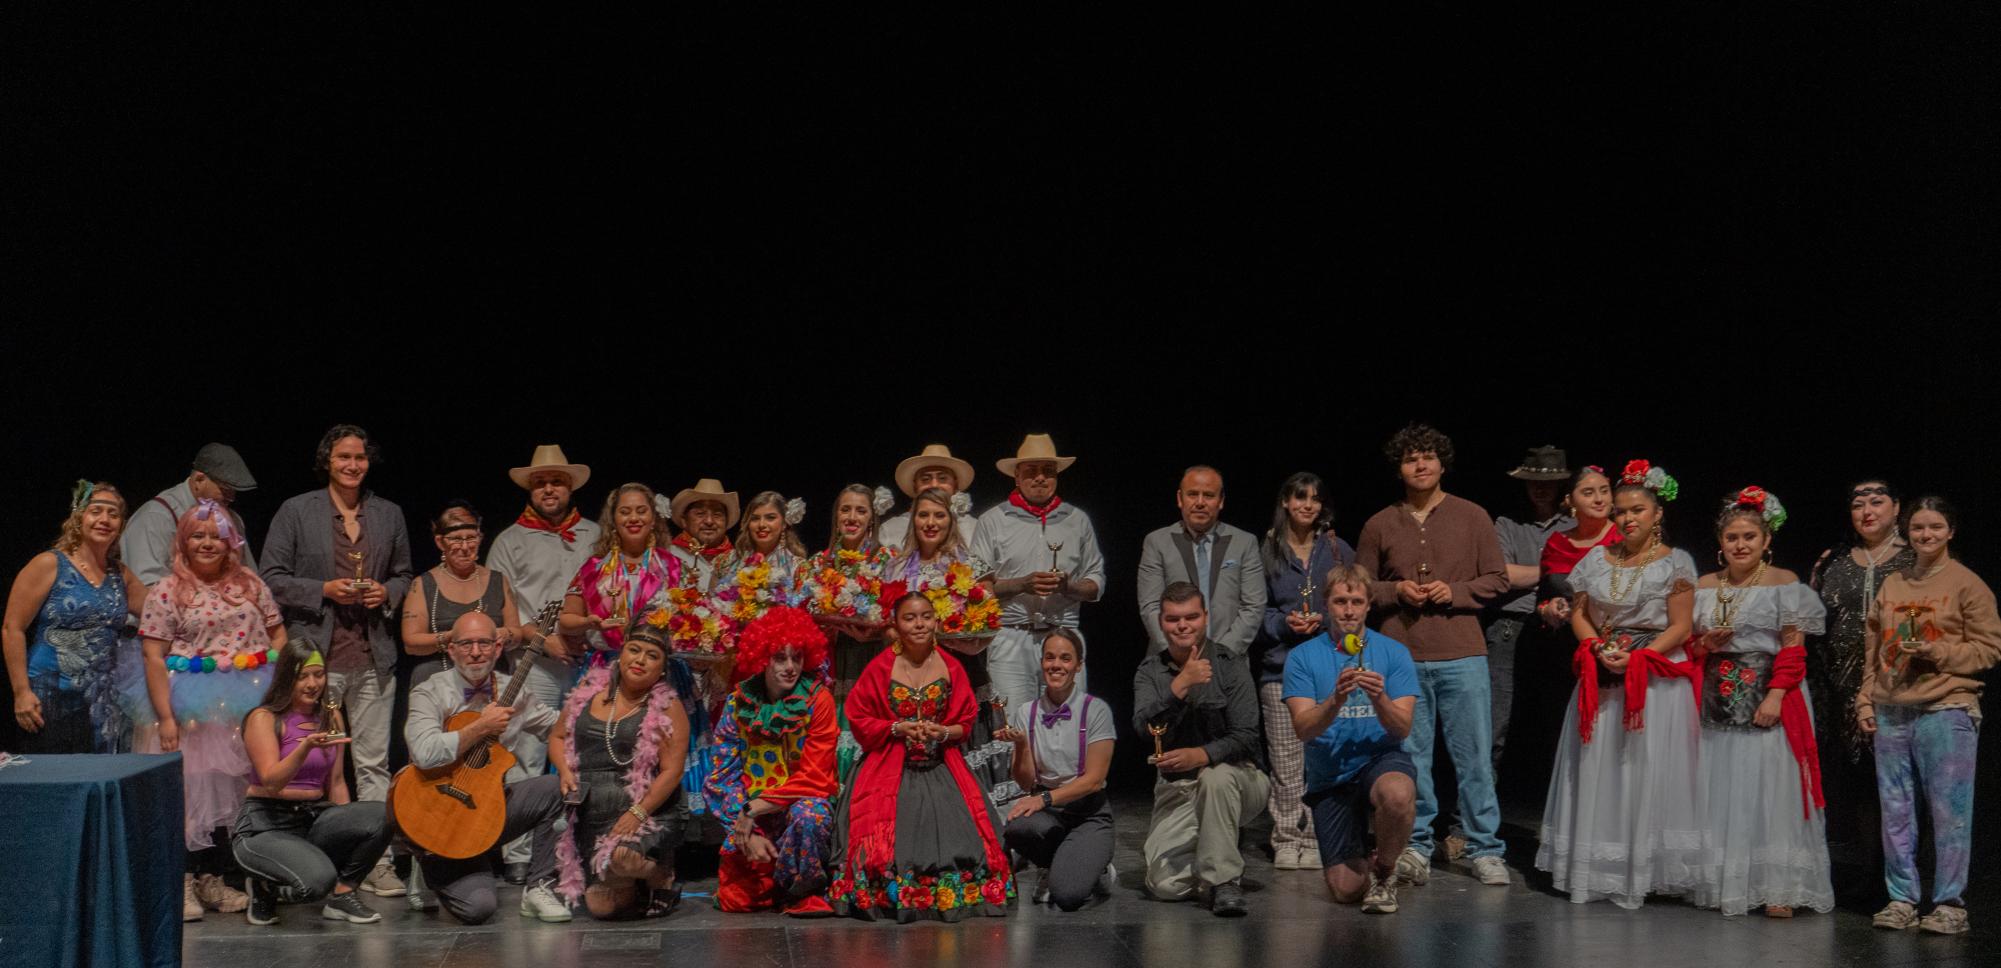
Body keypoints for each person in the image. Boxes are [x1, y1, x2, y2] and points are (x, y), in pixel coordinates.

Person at [1536, 459, 1708, 909]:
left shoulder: (1676, 562)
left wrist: (1638, 657)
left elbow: (1682, 626)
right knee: (1602, 764)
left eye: (1637, 510)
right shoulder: (1596, 558)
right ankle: (1601, 865)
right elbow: (1579, 612)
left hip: (1652, 678)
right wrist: (1595, 648)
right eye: (1621, 511)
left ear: (1657, 515)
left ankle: (1648, 867)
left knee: (1646, 765)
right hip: (1603, 669)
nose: (1627, 518)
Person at [259, 425, 413, 898]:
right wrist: (323, 589)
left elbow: (406, 574)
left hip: (373, 657)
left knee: (372, 765)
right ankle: (307, 863)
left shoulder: (387, 514)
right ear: (328, 460)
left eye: (360, 458)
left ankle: (377, 861)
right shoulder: (297, 510)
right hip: (315, 659)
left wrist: (386, 592)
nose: (352, 465)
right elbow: (270, 576)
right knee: (312, 763)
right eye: (344, 457)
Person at [1353, 424, 1510, 887]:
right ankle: (1414, 846)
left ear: (1442, 463)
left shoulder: (1472, 516)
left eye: (1428, 457)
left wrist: (1455, 590)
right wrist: (1394, 589)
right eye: (1410, 458)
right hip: (1401, 655)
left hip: (1463, 653)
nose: (1420, 465)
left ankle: (1485, 847)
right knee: (1411, 757)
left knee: (1475, 758)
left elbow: (1498, 580)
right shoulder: (1380, 523)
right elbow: (1358, 587)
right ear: (1399, 468)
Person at [130, 501, 286, 919]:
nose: (206, 543)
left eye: (215, 535)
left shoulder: (250, 584)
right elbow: (152, 655)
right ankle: (180, 883)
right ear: (183, 540)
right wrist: (166, 717)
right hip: (190, 709)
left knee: (231, 797)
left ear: (230, 541)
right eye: (197, 535)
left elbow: (278, 633)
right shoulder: (168, 590)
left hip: (245, 705)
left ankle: (213, 879)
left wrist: (277, 690)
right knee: (189, 796)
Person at [1857, 496, 1998, 935]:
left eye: (1935, 527)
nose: (1925, 535)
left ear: (1950, 532)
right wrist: (1866, 699)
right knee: (1896, 811)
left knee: (1949, 813)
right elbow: (1873, 649)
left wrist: (1938, 651)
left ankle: (1950, 904)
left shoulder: (1967, 584)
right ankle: (1901, 899)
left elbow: (1989, 649)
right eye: (1918, 528)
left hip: (1946, 708)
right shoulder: (1893, 583)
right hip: (1892, 707)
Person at [828, 591, 1014, 921]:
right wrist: (897, 727)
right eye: (910, 618)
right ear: (896, 625)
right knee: (885, 845)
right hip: (888, 767)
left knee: (961, 841)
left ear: (936, 620)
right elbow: (859, 718)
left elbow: (965, 723)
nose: (919, 624)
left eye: (926, 616)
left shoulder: (952, 666)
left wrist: (942, 732)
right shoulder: (880, 668)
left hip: (940, 766)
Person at [1692, 487, 1834, 918]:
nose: (1740, 545)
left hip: (1770, 691)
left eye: (1749, 537)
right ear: (1720, 542)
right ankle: (1725, 880)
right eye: (1732, 537)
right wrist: (1704, 643)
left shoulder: (1785, 584)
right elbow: (1689, 646)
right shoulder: (1703, 586)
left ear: (1766, 541)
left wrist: (1776, 694)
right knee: (1722, 786)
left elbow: (1793, 648)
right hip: (1718, 694)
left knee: (1771, 787)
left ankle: (1779, 886)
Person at [402, 611, 572, 924]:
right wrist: (479, 727)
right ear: (451, 649)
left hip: (489, 810)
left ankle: (539, 887)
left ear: (498, 649)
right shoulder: (430, 692)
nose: (477, 652)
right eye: (466, 644)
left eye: (484, 643)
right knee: (479, 909)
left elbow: (555, 726)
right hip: (441, 817)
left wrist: (597, 709)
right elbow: (424, 753)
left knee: (554, 788)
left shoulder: (514, 691)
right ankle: (426, 864)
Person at [1284, 564, 1419, 915]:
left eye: (1356, 601)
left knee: (1398, 794)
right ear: (1326, 604)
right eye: (1341, 601)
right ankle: (1379, 858)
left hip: (1379, 760)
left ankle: (1387, 870)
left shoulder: (1393, 652)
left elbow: (1402, 727)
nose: (1348, 609)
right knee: (1346, 891)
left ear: (1369, 605)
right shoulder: (1302, 657)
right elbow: (1303, 729)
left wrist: (1380, 699)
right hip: (1332, 776)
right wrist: (1335, 700)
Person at [232, 641, 392, 926]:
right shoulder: (264, 718)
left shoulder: (331, 716)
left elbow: (338, 782)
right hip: (267, 823)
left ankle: (342, 895)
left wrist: (351, 830)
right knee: (315, 885)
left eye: (318, 674)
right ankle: (264, 887)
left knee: (385, 814)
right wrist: (304, 748)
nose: (312, 683)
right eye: (303, 675)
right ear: (286, 677)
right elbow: (271, 781)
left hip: (313, 817)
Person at [1132, 582, 1268, 916]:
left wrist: (1202, 755)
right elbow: (1142, 729)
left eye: (1191, 617)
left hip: (1239, 782)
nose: (1182, 626)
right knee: (1165, 887)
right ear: (1161, 622)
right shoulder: (1150, 672)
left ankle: (1224, 881)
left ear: (1205, 617)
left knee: (1215, 777)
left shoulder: (1230, 664)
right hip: (1178, 789)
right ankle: (1216, 850)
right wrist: (1178, 687)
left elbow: (1247, 735)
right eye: (1173, 618)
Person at [550, 622, 692, 919]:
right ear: (621, 653)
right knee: (601, 908)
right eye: (634, 650)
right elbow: (558, 736)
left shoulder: (668, 706)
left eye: (652, 656)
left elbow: (673, 771)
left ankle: (659, 874)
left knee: (622, 859)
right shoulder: (588, 691)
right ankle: (632, 885)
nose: (640, 660)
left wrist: (637, 813)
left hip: (646, 814)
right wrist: (564, 771)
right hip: (591, 814)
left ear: (662, 670)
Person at [1250, 471, 1355, 871]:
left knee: (1322, 759)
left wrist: (1329, 623)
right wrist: (1284, 623)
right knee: (1287, 762)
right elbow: (1254, 611)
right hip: (1281, 669)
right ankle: (1286, 837)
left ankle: (1316, 836)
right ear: (1285, 503)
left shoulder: (1338, 548)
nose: (1307, 505)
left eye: (1314, 499)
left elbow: (1354, 602)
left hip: (1329, 669)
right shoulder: (1267, 550)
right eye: (1299, 498)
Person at [703, 607, 838, 915]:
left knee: (810, 815)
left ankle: (804, 890)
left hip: (798, 806)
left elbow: (816, 778)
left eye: (798, 657)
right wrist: (746, 828)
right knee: (737, 901)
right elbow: (721, 777)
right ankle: (771, 879)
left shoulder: (819, 701)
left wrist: (755, 808)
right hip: (752, 815)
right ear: (763, 657)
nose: (790, 667)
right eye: (780, 657)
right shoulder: (739, 702)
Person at [4, 481, 146, 754]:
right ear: (79, 517)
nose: (104, 519)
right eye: (96, 511)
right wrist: (21, 692)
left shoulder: (121, 575)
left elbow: (161, 610)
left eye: (113, 514)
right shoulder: (49, 564)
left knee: (98, 780)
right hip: (49, 698)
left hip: (102, 703)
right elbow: (12, 628)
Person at [1808, 478, 1912, 846]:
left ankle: (1899, 881)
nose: (1867, 511)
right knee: (1853, 784)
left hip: (1900, 687)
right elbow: (1813, 628)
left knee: (1897, 784)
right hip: (1841, 689)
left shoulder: (1915, 558)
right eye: (1858, 505)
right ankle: (1863, 871)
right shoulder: (1832, 560)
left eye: (1877, 502)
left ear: (1897, 507)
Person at [971, 433, 1107, 715]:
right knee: (1011, 725)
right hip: (1010, 636)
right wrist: (1022, 584)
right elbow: (977, 590)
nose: (1040, 478)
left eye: (1048, 471)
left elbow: (1097, 583)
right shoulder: (993, 520)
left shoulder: (1077, 520)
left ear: (1056, 477)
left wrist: (1070, 587)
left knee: (1066, 724)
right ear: (1017, 477)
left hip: (1063, 632)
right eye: (1031, 471)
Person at [487, 444, 601, 778]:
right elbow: (502, 606)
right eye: (540, 482)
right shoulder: (509, 541)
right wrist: (544, 639)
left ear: (570, 487)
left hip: (589, 659)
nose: (548, 489)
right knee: (529, 753)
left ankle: (579, 826)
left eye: (556, 481)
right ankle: (525, 829)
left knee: (587, 747)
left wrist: (589, 635)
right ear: (530, 489)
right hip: (534, 662)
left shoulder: (595, 535)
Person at [993, 628, 1116, 911]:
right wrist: (1022, 744)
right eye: (1050, 658)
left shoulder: (1095, 710)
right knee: (1017, 828)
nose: (1056, 665)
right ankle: (1055, 863)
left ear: (1078, 665)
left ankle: (1097, 867)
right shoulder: (1028, 712)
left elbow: (1094, 781)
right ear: (1042, 663)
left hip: (1088, 814)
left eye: (1065, 658)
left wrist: (1044, 799)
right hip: (1050, 816)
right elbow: (1026, 782)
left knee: (1067, 897)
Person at [1489, 446, 1574, 777]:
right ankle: (1471, 824)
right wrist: (1555, 573)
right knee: (1496, 723)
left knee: (1557, 719)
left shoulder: (1574, 525)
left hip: (1562, 628)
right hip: (1511, 625)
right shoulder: (1507, 523)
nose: (1541, 488)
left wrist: (1536, 577)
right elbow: (1502, 576)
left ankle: (1556, 818)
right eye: (1533, 482)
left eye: (1550, 483)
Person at [1137, 466, 1268, 660]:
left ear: (1220, 501)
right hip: (1170, 663)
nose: (1200, 502)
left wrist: (1221, 656)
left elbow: (1254, 605)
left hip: (1229, 663)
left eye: (1208, 495)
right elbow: (1151, 606)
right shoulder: (1157, 542)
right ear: (1180, 499)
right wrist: (1180, 655)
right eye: (1192, 494)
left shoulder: (1244, 543)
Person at [401, 502, 525, 688]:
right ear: (440, 542)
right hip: (437, 679)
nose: (465, 546)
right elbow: (411, 642)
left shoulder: (498, 581)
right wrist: (456, 636)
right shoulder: (423, 584)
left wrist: (500, 634)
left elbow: (516, 633)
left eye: (471, 538)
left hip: (490, 680)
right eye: (456, 539)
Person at [560, 483, 681, 668]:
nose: (633, 518)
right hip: (606, 669)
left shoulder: (672, 567)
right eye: (625, 512)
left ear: (653, 519)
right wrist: (589, 623)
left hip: (658, 668)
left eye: (641, 511)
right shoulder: (593, 569)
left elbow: (687, 619)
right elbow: (566, 621)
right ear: (614, 520)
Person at [121, 443, 259, 586]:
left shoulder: (231, 520)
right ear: (199, 480)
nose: (231, 498)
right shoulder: (156, 517)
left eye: (234, 492)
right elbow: (147, 587)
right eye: (225, 490)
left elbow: (250, 577)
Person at [804, 483, 894, 699]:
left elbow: (899, 620)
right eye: (845, 510)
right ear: (836, 515)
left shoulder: (887, 561)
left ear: (872, 518)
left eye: (861, 511)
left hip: (872, 657)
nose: (852, 517)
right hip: (827, 661)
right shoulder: (818, 563)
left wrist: (874, 633)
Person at [711, 491, 809, 625]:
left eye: (770, 517)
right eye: (755, 518)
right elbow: (711, 610)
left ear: (784, 523)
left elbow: (802, 619)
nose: (761, 524)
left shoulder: (799, 568)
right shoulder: (724, 562)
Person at [879, 444, 978, 549]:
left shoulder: (975, 528)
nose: (934, 485)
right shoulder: (890, 529)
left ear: (955, 484)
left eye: (942, 478)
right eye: (925, 479)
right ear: (915, 485)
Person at [665, 478, 739, 594]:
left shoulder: (738, 560)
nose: (709, 521)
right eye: (700, 514)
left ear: (727, 521)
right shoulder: (668, 557)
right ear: (684, 520)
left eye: (717, 514)